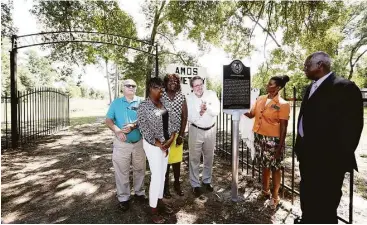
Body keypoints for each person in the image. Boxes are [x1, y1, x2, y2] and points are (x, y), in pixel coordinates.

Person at [295, 51, 364, 223]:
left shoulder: (344, 87)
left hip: (329, 162)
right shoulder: (310, 88)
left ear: (320, 65)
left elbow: (353, 127)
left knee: (325, 204)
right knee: (308, 196)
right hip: (307, 156)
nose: (304, 69)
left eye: (307, 65)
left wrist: (337, 158)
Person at [244, 75, 290, 209]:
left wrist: (280, 147)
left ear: (278, 87)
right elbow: (251, 114)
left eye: (271, 84)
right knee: (264, 165)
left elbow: (283, 128)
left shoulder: (283, 104)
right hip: (259, 137)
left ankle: (275, 196)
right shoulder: (260, 99)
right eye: (268, 83)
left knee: (275, 168)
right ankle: (265, 190)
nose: (267, 86)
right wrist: (238, 108)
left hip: (273, 141)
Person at [137, 77, 176, 224]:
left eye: (162, 88)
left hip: (166, 144)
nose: (161, 91)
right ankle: (153, 210)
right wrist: (159, 144)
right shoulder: (143, 106)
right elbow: (144, 129)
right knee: (157, 175)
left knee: (163, 174)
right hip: (153, 145)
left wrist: (171, 139)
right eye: (158, 88)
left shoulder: (163, 103)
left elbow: (170, 122)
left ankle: (160, 201)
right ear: (150, 88)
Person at [105, 79, 146, 212]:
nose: (131, 87)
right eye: (128, 85)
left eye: (134, 86)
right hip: (122, 144)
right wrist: (117, 130)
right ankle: (124, 198)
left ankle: (139, 193)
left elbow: (146, 118)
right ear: (123, 88)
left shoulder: (142, 102)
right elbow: (108, 119)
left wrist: (134, 125)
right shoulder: (116, 103)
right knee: (122, 171)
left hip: (139, 142)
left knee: (140, 169)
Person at [187, 75, 220, 197]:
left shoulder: (211, 94)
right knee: (194, 158)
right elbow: (190, 117)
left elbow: (216, 111)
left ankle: (207, 181)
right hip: (196, 130)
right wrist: (200, 112)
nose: (199, 87)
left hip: (211, 129)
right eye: (196, 85)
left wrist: (207, 108)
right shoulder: (189, 98)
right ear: (192, 87)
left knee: (209, 157)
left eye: (201, 84)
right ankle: (195, 184)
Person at [161, 74, 188, 198]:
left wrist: (181, 135)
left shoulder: (181, 97)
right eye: (171, 81)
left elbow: (184, 117)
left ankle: (177, 185)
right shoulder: (160, 96)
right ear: (166, 83)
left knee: (176, 162)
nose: (173, 83)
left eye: (176, 81)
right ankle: (165, 187)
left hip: (177, 135)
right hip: (163, 135)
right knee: (164, 162)